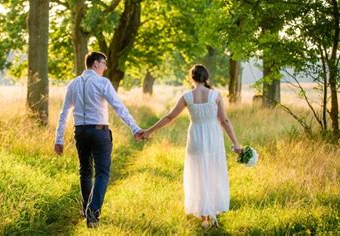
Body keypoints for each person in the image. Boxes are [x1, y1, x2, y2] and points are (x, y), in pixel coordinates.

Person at [142, 64, 242, 229]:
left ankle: (204, 218)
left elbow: (169, 117)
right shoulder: (215, 95)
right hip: (213, 138)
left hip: (196, 137)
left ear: (191, 78)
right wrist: (235, 143)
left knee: (199, 174)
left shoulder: (187, 96)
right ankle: (212, 213)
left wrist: (149, 131)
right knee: (213, 172)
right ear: (206, 78)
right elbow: (224, 121)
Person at [54, 51, 143, 228]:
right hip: (99, 132)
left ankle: (87, 209)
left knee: (85, 171)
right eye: (103, 63)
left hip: (80, 132)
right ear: (95, 64)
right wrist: (134, 128)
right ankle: (92, 212)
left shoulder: (73, 84)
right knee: (102, 173)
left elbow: (64, 113)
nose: (105, 67)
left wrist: (59, 139)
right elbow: (119, 107)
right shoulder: (102, 83)